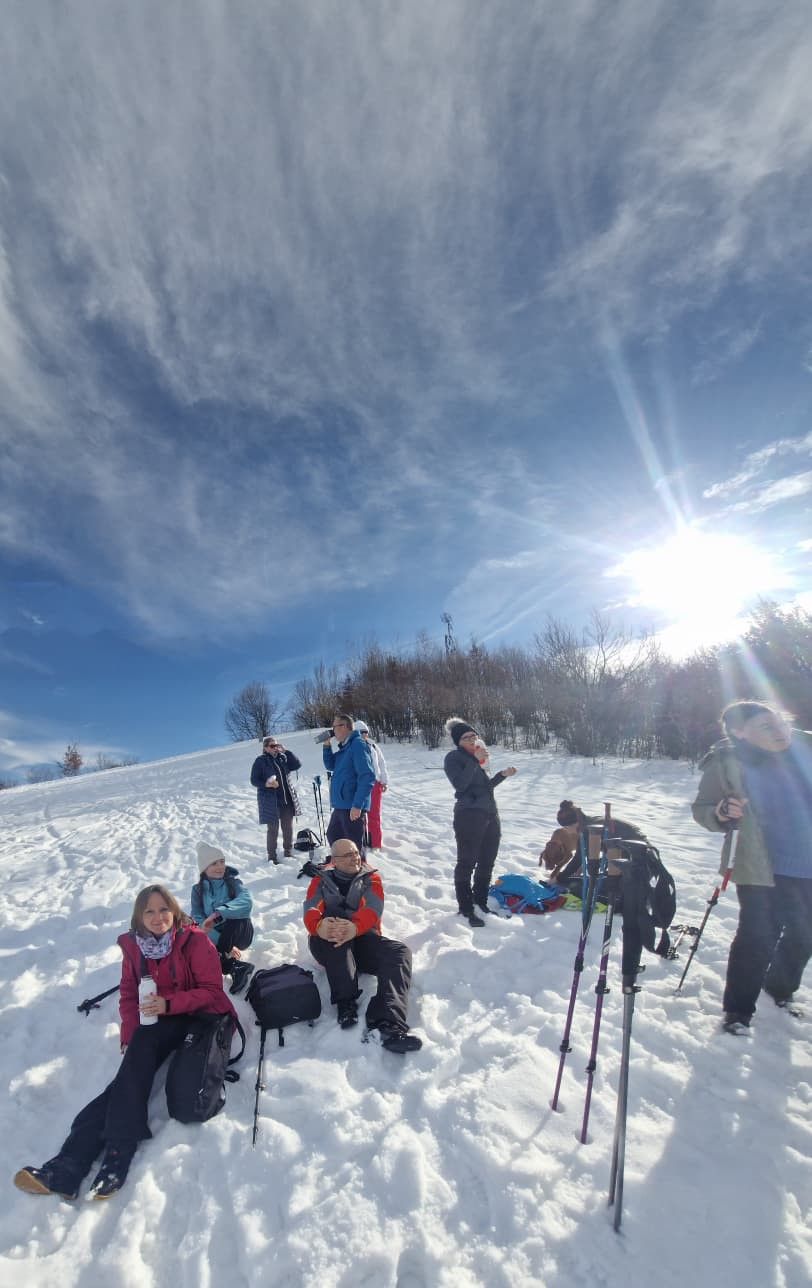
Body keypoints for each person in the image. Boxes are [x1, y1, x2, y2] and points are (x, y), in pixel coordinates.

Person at [14, 885, 236, 1201]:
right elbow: (130, 994)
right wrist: (130, 1034)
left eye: (163, 910)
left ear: (173, 911)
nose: (157, 917)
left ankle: (113, 1152)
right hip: (161, 1018)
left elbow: (213, 992)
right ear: (139, 917)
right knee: (128, 1078)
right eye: (149, 911)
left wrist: (168, 1004)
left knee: (163, 1090)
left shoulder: (194, 941)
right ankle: (70, 1165)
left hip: (201, 1016)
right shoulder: (135, 947)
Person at [691, 700, 812, 1034]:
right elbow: (703, 809)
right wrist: (721, 812)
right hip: (760, 864)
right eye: (766, 726)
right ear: (740, 733)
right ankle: (738, 1012)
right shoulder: (727, 762)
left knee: (805, 935)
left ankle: (779, 988)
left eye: (780, 722)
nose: (780, 731)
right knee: (757, 938)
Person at [303, 838, 422, 1053]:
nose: (355, 858)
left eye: (356, 853)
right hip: (327, 940)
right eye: (348, 855)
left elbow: (373, 909)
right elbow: (311, 908)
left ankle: (388, 1023)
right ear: (335, 860)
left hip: (363, 938)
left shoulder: (371, 878)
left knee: (400, 952)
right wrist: (319, 926)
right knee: (337, 939)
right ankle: (345, 1003)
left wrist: (354, 927)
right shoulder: (320, 880)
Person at [442, 717, 517, 927]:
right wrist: (475, 760)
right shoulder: (454, 758)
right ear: (459, 741)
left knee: (487, 861)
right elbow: (460, 785)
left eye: (474, 736)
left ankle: (480, 902)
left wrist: (502, 775)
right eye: (467, 737)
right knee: (467, 862)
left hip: (490, 815)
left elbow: (485, 788)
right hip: (469, 816)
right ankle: (466, 908)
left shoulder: (476, 760)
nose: (473, 740)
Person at [542, 800, 649, 893]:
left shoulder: (590, 830)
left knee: (591, 887)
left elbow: (578, 859)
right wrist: (563, 876)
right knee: (594, 881)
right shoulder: (588, 824)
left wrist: (559, 878)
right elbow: (580, 856)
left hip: (640, 860)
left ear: (571, 825)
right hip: (634, 855)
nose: (567, 832)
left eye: (566, 828)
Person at [191, 841, 255, 995]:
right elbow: (198, 917)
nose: (220, 867)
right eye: (214, 863)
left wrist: (218, 914)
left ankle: (222, 952)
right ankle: (236, 968)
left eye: (222, 862)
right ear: (204, 868)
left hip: (240, 932)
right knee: (193, 931)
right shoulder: (197, 890)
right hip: (219, 938)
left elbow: (247, 901)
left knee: (237, 913)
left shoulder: (233, 883)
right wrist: (220, 941)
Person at [321, 714, 376, 851]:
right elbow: (330, 765)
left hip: (352, 806)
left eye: (334, 726)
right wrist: (327, 746)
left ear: (344, 726)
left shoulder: (357, 745)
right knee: (333, 835)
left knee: (353, 845)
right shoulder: (345, 748)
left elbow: (367, 776)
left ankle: (357, 869)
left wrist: (357, 805)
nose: (333, 730)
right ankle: (342, 867)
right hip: (341, 804)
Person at [250, 735, 302, 863]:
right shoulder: (260, 761)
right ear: (266, 748)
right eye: (272, 746)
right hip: (271, 801)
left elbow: (297, 765)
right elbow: (254, 780)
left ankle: (288, 852)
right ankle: (272, 857)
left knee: (288, 828)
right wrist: (266, 784)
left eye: (277, 745)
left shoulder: (282, 759)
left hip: (287, 799)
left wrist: (286, 751)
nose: (275, 748)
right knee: (273, 830)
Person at [355, 720, 388, 849]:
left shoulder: (373, 746)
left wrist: (384, 781)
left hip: (375, 784)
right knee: (360, 816)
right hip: (359, 785)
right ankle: (361, 842)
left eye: (366, 732)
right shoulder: (353, 747)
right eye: (361, 732)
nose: (365, 735)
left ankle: (375, 844)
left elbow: (382, 763)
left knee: (374, 815)